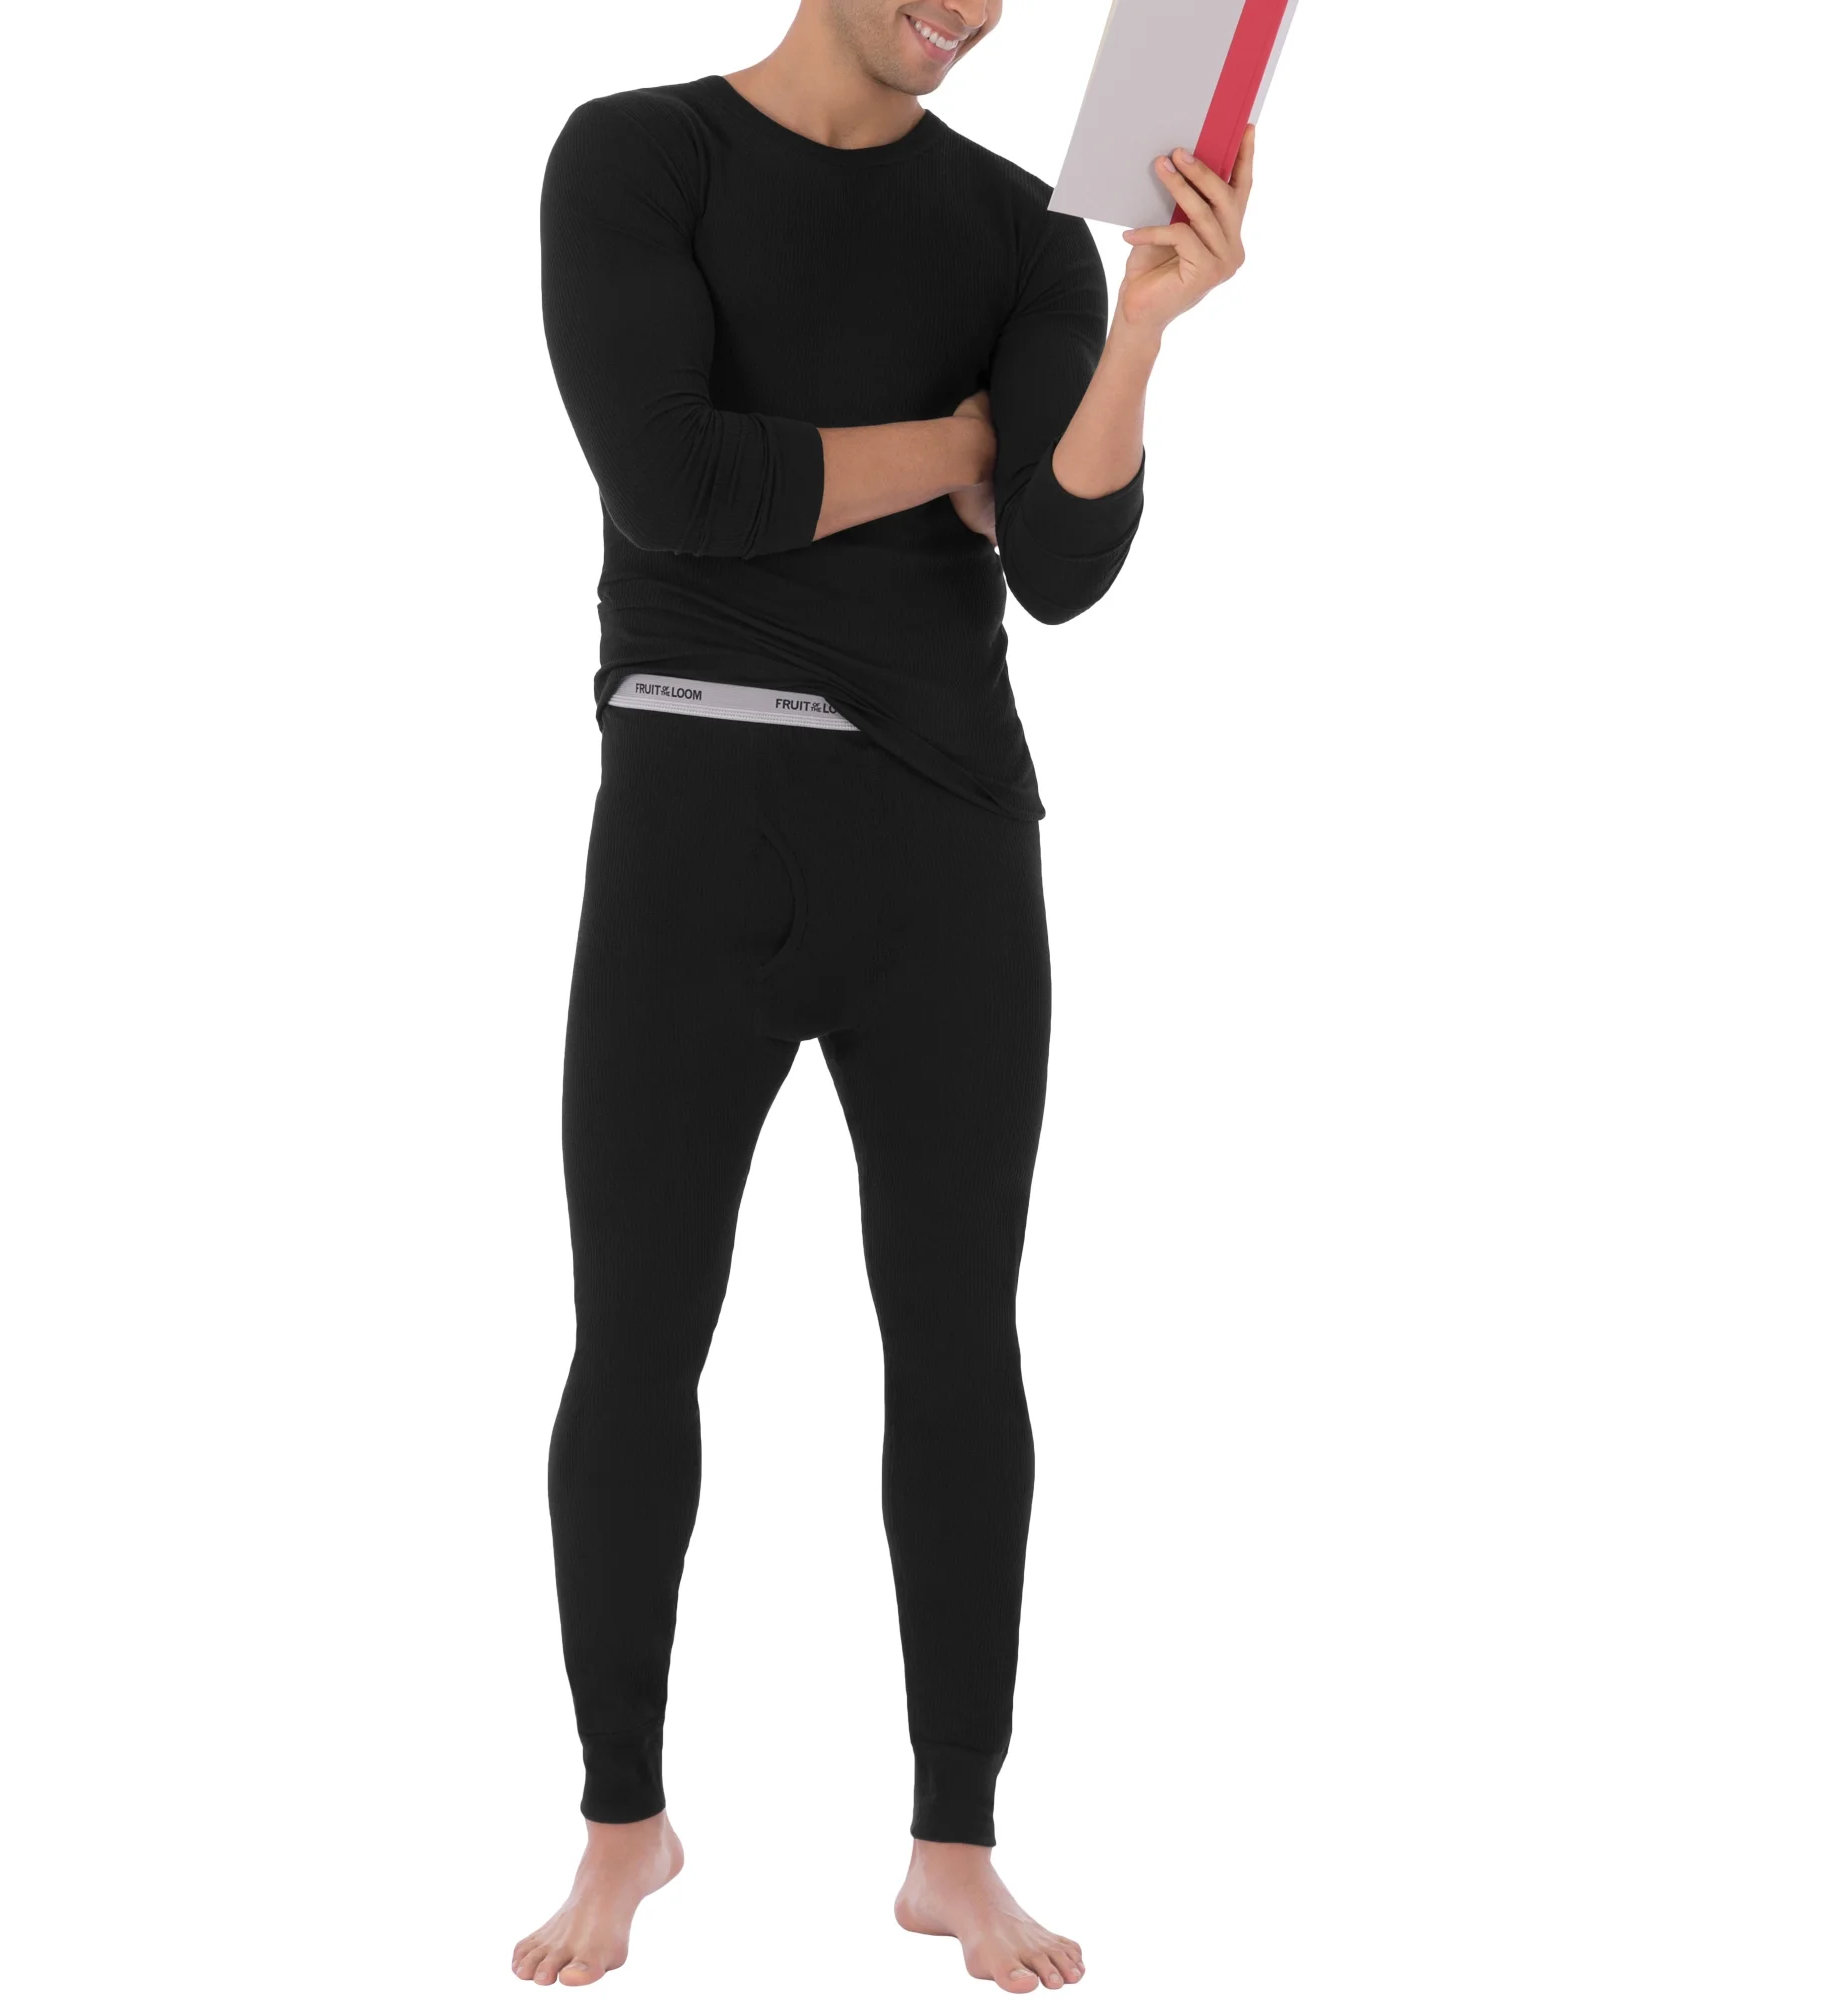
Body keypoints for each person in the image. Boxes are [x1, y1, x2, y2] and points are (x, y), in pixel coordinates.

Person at [516, 1, 1252, 1987]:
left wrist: (1141, 328)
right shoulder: (635, 155)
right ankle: (622, 1822)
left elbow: (1062, 564)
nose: (972, 6)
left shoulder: (1021, 229)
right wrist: (957, 446)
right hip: (689, 837)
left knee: (954, 1345)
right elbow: (679, 483)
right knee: (636, 1337)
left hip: (943, 853)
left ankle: (953, 1846)